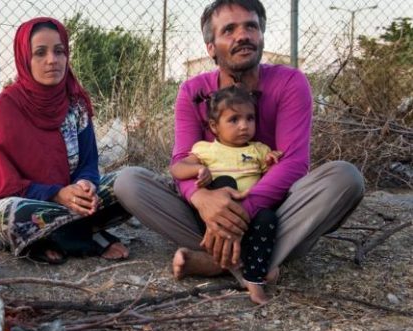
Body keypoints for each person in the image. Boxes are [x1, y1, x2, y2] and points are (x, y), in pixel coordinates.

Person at [114, 0, 364, 301]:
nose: (242, 35)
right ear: (211, 47)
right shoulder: (192, 92)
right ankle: (256, 265)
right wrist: (201, 198)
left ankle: (214, 261)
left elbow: (294, 164)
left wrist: (237, 216)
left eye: (251, 27)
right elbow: (181, 163)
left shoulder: (290, 82)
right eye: (229, 30)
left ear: (261, 36)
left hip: (273, 214)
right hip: (206, 214)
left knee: (345, 178)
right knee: (128, 182)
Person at [0, 17, 130, 265]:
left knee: (129, 184)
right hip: (21, 203)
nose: (52, 60)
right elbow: (6, 182)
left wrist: (85, 185)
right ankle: (88, 236)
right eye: (40, 53)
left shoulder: (76, 104)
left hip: (69, 201)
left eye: (59, 51)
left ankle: (57, 236)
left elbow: (89, 162)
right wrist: (56, 194)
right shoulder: (4, 109)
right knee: (14, 215)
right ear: (25, 58)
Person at [171, 85, 283, 304]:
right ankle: (251, 268)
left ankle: (252, 277)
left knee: (268, 217)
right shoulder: (205, 150)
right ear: (214, 126)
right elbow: (177, 169)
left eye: (250, 119)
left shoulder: (258, 150)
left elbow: (272, 180)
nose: (244, 126)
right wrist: (198, 170)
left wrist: (272, 163)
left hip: (249, 218)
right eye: (234, 120)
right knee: (223, 183)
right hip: (215, 220)